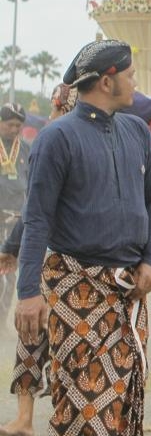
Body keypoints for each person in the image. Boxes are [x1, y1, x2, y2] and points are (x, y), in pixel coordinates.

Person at [16, 40, 151, 433]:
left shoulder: (138, 133)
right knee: (84, 406)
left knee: (124, 403)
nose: (136, 83)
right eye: (130, 76)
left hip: (128, 289)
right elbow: (36, 221)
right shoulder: (56, 138)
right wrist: (28, 293)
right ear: (106, 81)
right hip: (73, 289)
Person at [0, 88, 75, 436]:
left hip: (79, 263)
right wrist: (13, 244)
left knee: (71, 345)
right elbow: (35, 206)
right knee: (31, 335)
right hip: (40, 253)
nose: (55, 114)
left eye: (59, 108)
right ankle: (25, 419)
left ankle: (66, 419)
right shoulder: (49, 143)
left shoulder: (93, 142)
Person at [0, 104, 31, 327]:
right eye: (10, 124)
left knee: (9, 274)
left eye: (18, 126)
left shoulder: (26, 149)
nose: (14, 129)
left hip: (16, 221)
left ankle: (1, 323)